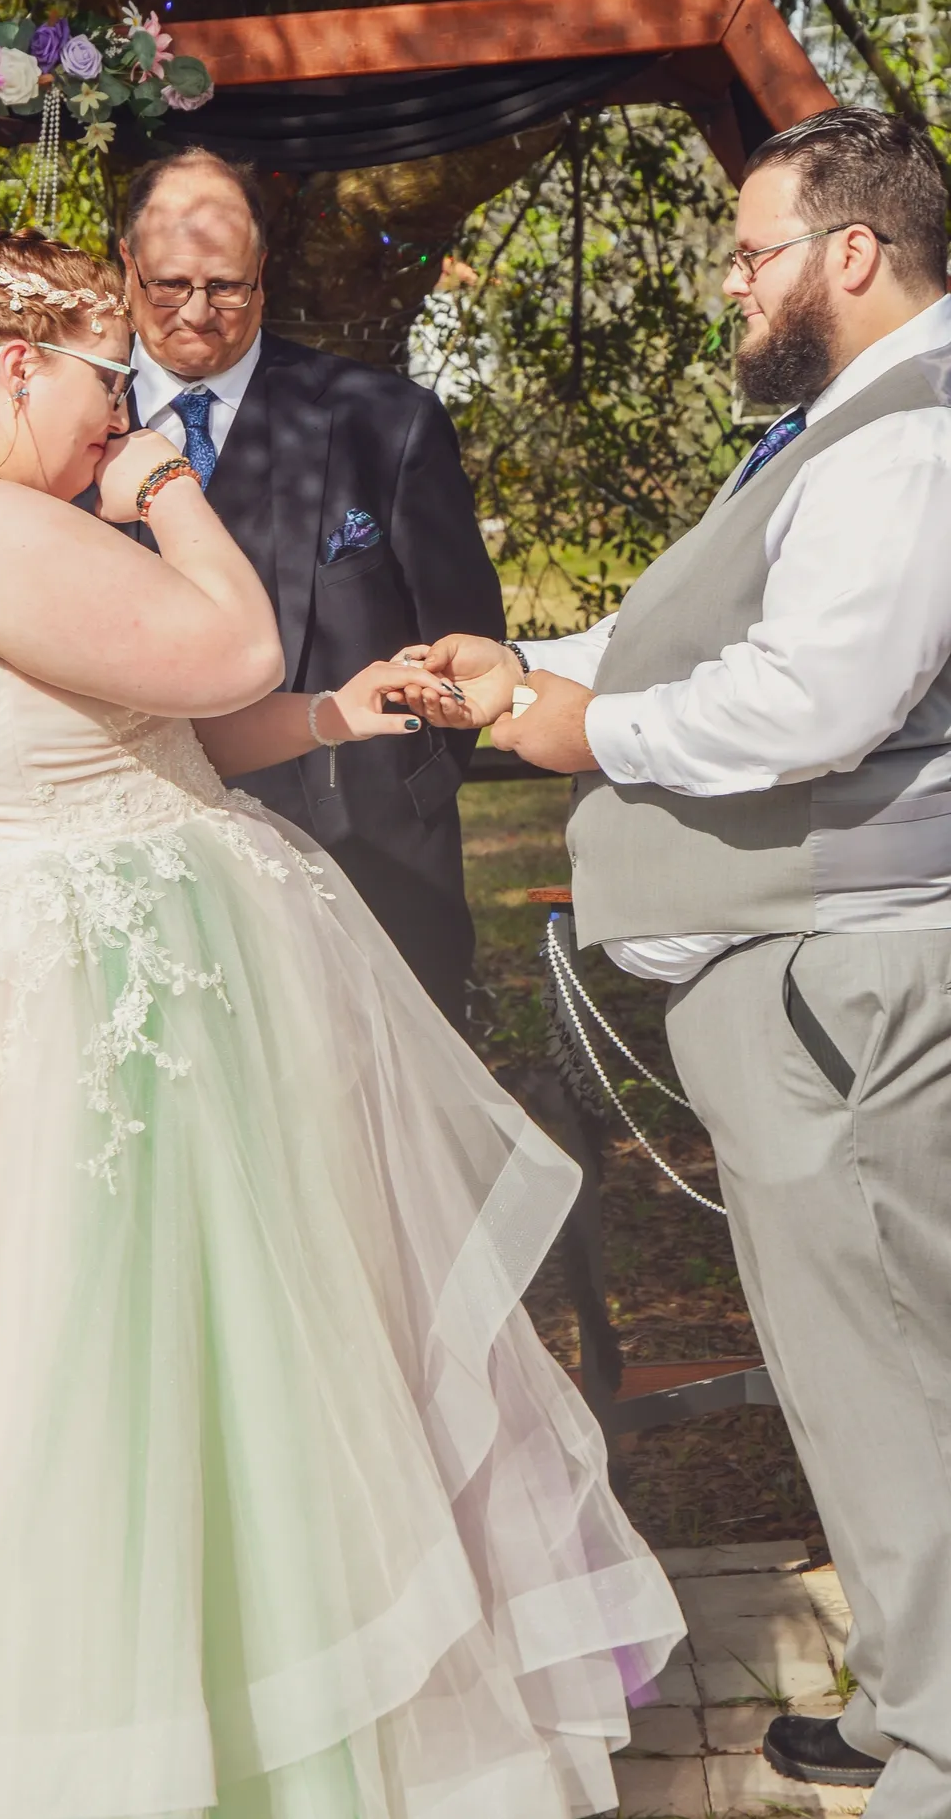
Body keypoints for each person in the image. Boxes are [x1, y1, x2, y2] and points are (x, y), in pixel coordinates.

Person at [0, 228, 682, 1819]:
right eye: (102, 377)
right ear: (14, 367)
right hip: (83, 1026)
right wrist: (162, 489)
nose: (123, 409)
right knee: (96, 1387)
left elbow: (168, 718)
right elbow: (230, 641)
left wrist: (352, 709)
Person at [404, 108, 951, 1816]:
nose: (731, 284)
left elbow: (816, 700)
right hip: (800, 968)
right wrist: (524, 669)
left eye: (749, 250)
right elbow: (714, 640)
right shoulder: (840, 428)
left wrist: (585, 729)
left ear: (849, 253)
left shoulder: (905, 441)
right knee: (849, 1360)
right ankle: (913, 1684)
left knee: (891, 1362)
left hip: (838, 971)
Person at [106, 146, 506, 1028]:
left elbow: (466, 647)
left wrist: (407, 791)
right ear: (126, 269)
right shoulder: (70, 426)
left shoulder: (384, 421)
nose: (200, 315)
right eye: (170, 285)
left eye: (229, 287)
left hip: (369, 864)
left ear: (264, 273)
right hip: (132, 855)